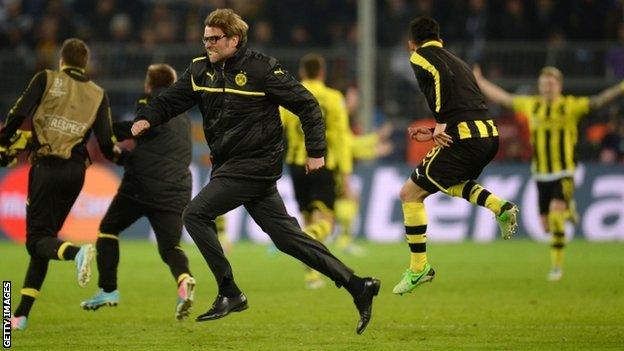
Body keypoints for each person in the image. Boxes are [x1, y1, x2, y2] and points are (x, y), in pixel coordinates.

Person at [130, 8, 379, 334]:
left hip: (254, 165)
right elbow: (171, 100)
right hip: (231, 165)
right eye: (205, 38)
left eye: (215, 39)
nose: (208, 44)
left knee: (194, 215)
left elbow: (306, 104)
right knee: (288, 238)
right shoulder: (199, 70)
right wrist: (148, 116)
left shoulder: (262, 69)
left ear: (234, 39)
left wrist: (316, 151)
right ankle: (357, 285)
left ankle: (229, 292)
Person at [393, 17, 519, 295]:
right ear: (441, 39)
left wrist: (439, 124)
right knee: (448, 181)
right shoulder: (457, 60)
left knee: (409, 195)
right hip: (487, 134)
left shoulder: (419, 56)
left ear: (410, 44)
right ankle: (499, 206)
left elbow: (440, 83)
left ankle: (418, 269)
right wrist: (436, 128)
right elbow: (464, 99)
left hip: (464, 136)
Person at [1, 38, 119, 330]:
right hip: (77, 173)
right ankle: (20, 315)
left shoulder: (47, 78)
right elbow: (106, 144)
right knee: (45, 241)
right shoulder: (97, 94)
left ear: (61, 61)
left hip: (47, 167)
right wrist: (122, 155)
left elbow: (19, 112)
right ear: (84, 63)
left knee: (36, 240)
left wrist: (4, 140)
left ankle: (77, 252)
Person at [474, 64, 624, 281]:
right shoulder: (532, 105)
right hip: (541, 173)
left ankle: (556, 267)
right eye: (544, 84)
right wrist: (481, 82)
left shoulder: (571, 106)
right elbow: (504, 98)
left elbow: (599, 100)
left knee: (555, 217)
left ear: (559, 86)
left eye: (551, 84)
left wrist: (621, 87)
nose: (547, 88)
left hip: (564, 171)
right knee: (545, 227)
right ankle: (568, 208)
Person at [80, 64, 196, 320]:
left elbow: (141, 126)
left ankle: (108, 290)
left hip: (142, 186)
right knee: (170, 247)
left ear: (148, 85)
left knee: (108, 229)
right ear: (174, 83)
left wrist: (104, 128)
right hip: (177, 189)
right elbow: (157, 148)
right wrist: (125, 157)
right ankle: (184, 279)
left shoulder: (150, 100)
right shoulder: (184, 115)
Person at [280, 53, 353, 289]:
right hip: (323, 163)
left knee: (308, 217)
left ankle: (312, 274)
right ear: (322, 73)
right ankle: (309, 239)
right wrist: (345, 172)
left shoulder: (289, 96)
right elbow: (342, 138)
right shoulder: (334, 98)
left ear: (302, 72)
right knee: (325, 223)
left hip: (296, 164)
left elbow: (276, 126)